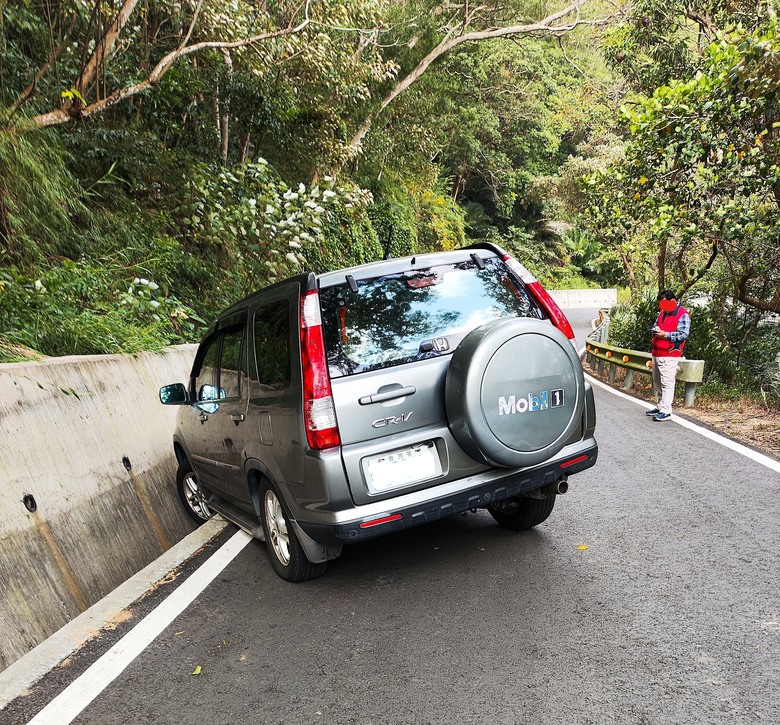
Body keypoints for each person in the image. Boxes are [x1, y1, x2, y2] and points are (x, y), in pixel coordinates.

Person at [646, 289, 690, 421]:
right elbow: (656, 325)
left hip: (670, 354)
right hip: (657, 352)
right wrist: (656, 330)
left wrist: (665, 334)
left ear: (673, 301)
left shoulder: (683, 315)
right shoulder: (662, 313)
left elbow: (683, 334)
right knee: (657, 381)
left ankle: (666, 410)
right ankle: (660, 406)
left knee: (667, 382)